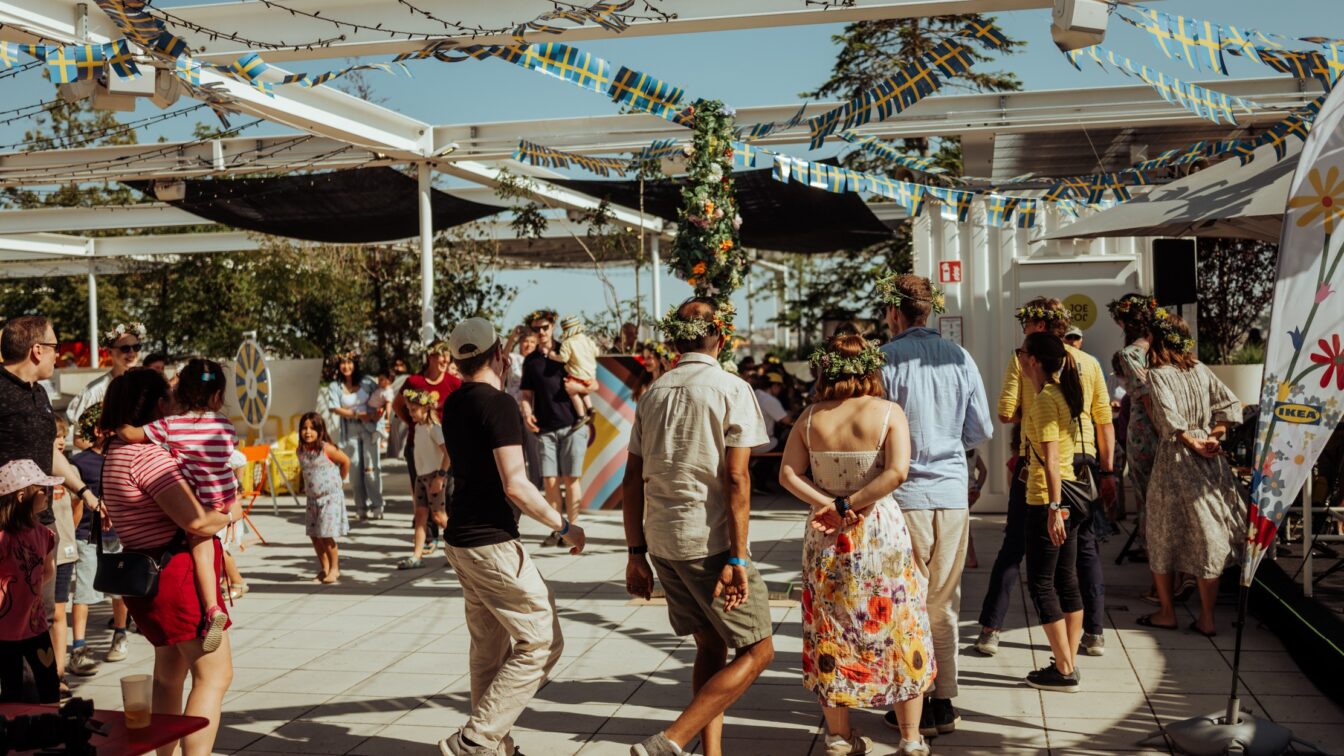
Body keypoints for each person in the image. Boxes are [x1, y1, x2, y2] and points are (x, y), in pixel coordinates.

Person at [622, 298, 775, 756]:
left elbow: (632, 478)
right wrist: (739, 556)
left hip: (665, 540)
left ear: (671, 340)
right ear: (721, 338)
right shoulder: (731, 388)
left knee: (709, 644)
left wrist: (635, 553)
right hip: (708, 541)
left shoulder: (652, 394)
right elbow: (737, 477)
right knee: (759, 650)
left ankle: (711, 753)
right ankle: (671, 740)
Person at [436, 318, 586, 756]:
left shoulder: (455, 402)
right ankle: (476, 739)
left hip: (461, 539)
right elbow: (516, 484)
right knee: (542, 641)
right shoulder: (498, 404)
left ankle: (495, 746)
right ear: (499, 353)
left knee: (488, 650)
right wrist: (564, 527)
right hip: (492, 542)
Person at [779, 335, 934, 756]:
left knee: (830, 626)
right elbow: (897, 471)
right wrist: (853, 504)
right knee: (900, 623)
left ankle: (838, 737)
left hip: (825, 532)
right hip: (878, 532)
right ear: (870, 368)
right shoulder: (888, 413)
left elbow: (788, 474)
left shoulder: (810, 418)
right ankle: (910, 737)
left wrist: (827, 503)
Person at [877, 274, 992, 737]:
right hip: (950, 493)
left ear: (894, 312)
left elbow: (876, 430)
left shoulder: (885, 359)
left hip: (904, 494)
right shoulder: (959, 356)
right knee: (943, 602)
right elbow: (978, 427)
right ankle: (944, 700)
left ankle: (915, 698)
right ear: (930, 310)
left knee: (907, 601)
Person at [98, 369, 234, 756]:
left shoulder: (117, 452)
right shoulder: (148, 458)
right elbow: (195, 520)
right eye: (171, 399)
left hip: (147, 578)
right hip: (176, 578)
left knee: (169, 674)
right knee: (214, 675)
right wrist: (228, 513)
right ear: (158, 405)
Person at [977, 297, 1115, 660]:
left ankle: (991, 629)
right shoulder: (1089, 363)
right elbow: (1104, 419)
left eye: (1025, 327)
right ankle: (1094, 633)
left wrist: (1035, 407)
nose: (1022, 336)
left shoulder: (1026, 363)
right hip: (1085, 468)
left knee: (1015, 549)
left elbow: (1006, 413)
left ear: (1038, 327)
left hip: (1044, 469)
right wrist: (1109, 470)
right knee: (1082, 553)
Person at [1, 316, 103, 671]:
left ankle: (38, 694)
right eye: (56, 347)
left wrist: (83, 490)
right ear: (36, 350)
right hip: (7, 529)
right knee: (9, 618)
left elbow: (49, 452)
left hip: (42, 524)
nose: (59, 355)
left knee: (40, 613)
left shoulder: (40, 394)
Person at [116, 358, 237, 654]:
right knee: (209, 551)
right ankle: (216, 599)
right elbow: (228, 453)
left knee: (201, 549)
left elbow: (132, 434)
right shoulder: (225, 425)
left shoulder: (171, 426)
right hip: (225, 494)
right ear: (218, 396)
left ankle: (211, 607)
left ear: (180, 393)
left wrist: (112, 420)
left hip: (201, 500)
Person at [1136, 313, 1246, 636]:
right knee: (1208, 531)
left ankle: (1167, 611)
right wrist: (1215, 435)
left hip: (1177, 459)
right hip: (1209, 460)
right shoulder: (1199, 368)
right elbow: (1230, 403)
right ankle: (1207, 618)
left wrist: (1195, 442)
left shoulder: (1157, 374)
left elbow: (1170, 421)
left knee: (1162, 529)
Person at [1016, 332, 1087, 692]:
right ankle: (1068, 661)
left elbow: (1053, 457)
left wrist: (1054, 507)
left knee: (1042, 584)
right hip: (1067, 496)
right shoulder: (1064, 393)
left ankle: (1063, 669)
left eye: (1021, 352)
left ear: (1034, 360)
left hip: (1048, 498)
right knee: (1066, 579)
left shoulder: (1046, 399)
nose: (1019, 358)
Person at [520, 309, 591, 547]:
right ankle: (559, 529)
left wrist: (578, 390)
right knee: (550, 482)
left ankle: (574, 526)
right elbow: (525, 394)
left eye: (545, 328)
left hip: (572, 425)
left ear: (553, 327)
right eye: (537, 329)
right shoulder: (531, 362)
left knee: (571, 479)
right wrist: (527, 413)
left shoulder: (567, 351)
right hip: (545, 428)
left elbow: (591, 383)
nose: (541, 332)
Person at [0, 459, 64, 703]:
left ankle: (52, 725)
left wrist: (31, 593)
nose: (48, 494)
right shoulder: (4, 536)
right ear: (20, 496)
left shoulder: (44, 533)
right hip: (4, 628)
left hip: (34, 624)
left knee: (49, 681)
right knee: (11, 687)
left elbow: (48, 571)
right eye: (42, 490)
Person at [392, 341, 461, 551]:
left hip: (443, 448)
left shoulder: (453, 382)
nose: (446, 360)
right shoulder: (414, 380)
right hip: (418, 445)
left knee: (446, 496)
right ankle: (428, 540)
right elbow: (397, 404)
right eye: (442, 356)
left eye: (448, 357)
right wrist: (413, 421)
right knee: (420, 497)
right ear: (431, 357)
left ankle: (456, 542)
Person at [1109, 294, 1160, 563]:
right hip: (1168, 429)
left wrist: (1161, 428)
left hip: (1145, 429)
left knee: (1147, 499)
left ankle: (1156, 566)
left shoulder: (1130, 354)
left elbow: (1145, 396)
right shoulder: (1163, 349)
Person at [323, 353, 385, 520]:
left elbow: (382, 395)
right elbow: (334, 407)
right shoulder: (335, 386)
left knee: (371, 469)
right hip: (349, 430)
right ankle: (360, 507)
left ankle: (377, 505)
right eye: (343, 363)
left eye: (349, 362)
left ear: (355, 364)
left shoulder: (366, 382)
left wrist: (377, 414)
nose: (346, 366)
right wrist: (357, 414)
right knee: (355, 469)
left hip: (369, 429)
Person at [397, 389, 450, 570]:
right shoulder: (418, 428)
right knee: (420, 516)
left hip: (434, 476)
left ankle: (462, 551)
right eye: (409, 410)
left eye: (414, 410)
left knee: (439, 516)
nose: (410, 414)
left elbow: (448, 454)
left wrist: (440, 476)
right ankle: (416, 555)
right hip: (421, 478)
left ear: (426, 408)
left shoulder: (434, 429)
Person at [296, 412, 350, 584]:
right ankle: (324, 568)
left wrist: (340, 480)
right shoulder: (301, 451)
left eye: (312, 428)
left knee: (326, 534)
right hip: (312, 500)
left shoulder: (327, 449)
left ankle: (335, 569)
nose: (308, 432)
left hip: (329, 498)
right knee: (315, 535)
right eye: (304, 428)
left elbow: (345, 461)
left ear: (320, 431)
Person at [49, 416, 79, 694]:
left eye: (63, 435)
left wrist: (69, 535)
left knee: (59, 612)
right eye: (56, 434)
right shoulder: (36, 467)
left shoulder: (69, 469)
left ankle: (59, 671)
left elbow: (78, 503)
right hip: (42, 551)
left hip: (65, 551)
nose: (61, 439)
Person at [550, 315, 600, 428]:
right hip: (591, 374)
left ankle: (581, 415)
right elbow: (596, 352)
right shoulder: (587, 340)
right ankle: (590, 408)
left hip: (577, 374)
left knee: (573, 392)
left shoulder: (567, 343)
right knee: (584, 391)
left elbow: (563, 358)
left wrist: (553, 356)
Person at [966, 448, 988, 569]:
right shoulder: (973, 451)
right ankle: (971, 557)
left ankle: (972, 557)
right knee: (964, 524)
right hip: (971, 490)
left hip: (960, 490)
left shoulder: (954, 449)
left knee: (963, 526)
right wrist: (977, 487)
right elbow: (983, 471)